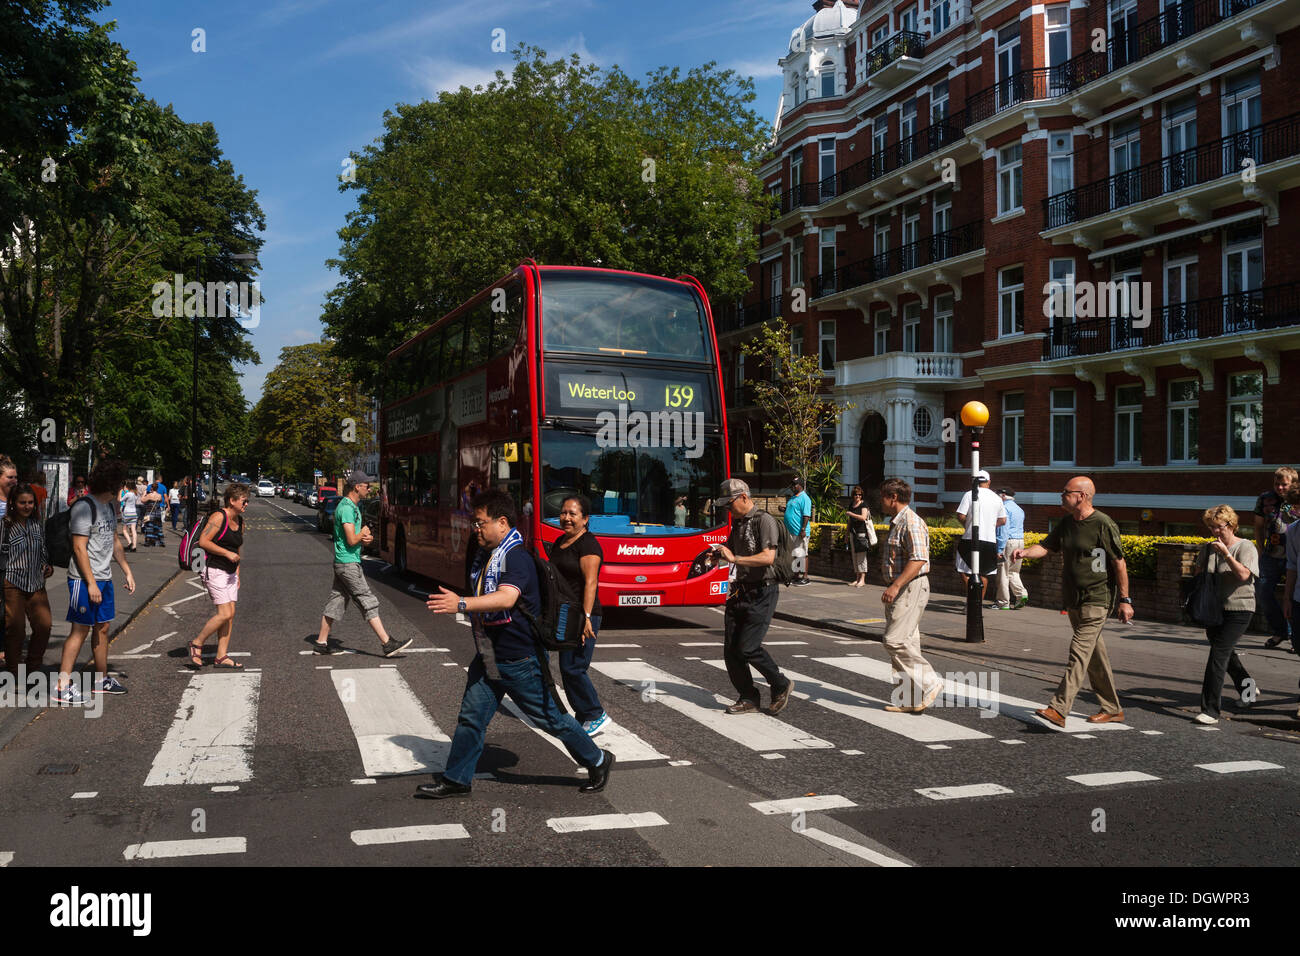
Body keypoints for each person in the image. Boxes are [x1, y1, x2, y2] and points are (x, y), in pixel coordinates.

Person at [419, 489, 614, 799]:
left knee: (552, 719)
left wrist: (461, 604)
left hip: (519, 659)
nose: (476, 529)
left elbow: (508, 597)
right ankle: (457, 778)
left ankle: (599, 759)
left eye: (481, 523)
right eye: (475, 523)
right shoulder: (489, 554)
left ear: (502, 522)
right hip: (490, 654)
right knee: (472, 716)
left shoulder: (516, 557)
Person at [1013, 476, 1133, 727]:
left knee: (1078, 653)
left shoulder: (1102, 523)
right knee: (1094, 656)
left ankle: (1058, 709)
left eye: (1065, 492)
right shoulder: (1067, 523)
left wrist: (1125, 599)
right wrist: (1025, 552)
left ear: (1082, 496)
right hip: (1074, 599)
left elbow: (1118, 563)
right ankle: (1112, 708)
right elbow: (1046, 547)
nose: (1061, 495)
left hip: (1097, 598)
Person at [707, 478, 795, 715]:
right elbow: (732, 550)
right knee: (732, 650)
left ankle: (780, 683)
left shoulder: (764, 521)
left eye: (730, 504)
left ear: (744, 497)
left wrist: (734, 559)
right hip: (740, 590)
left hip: (762, 591)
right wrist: (719, 554)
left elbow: (768, 557)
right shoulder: (738, 523)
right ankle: (748, 697)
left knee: (748, 647)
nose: (728, 509)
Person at [54, 458, 136, 703]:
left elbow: (114, 542)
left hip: (104, 578)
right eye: (120, 483)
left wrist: (127, 570)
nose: (121, 488)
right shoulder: (84, 507)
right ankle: (62, 685)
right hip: (83, 579)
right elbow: (79, 548)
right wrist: (90, 583)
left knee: (103, 627)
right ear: (111, 483)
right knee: (79, 630)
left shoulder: (109, 507)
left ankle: (101, 680)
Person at [311, 471, 411, 656]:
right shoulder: (347, 508)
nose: (369, 489)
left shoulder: (351, 506)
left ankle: (321, 643)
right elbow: (350, 539)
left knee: (336, 601)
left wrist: (364, 538)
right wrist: (361, 533)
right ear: (357, 486)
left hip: (345, 562)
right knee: (367, 600)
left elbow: (353, 538)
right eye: (366, 485)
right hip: (348, 564)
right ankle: (387, 643)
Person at [878, 478, 942, 712]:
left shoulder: (911, 522)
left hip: (910, 587)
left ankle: (931, 682)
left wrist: (895, 586)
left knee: (893, 640)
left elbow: (918, 559)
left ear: (893, 497)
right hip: (902, 589)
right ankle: (909, 699)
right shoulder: (897, 522)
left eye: (883, 496)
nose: (880, 501)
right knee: (908, 643)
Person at [1191, 505, 1259, 724]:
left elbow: (1243, 576)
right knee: (1227, 655)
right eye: (1211, 527)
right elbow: (1199, 575)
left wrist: (1227, 555)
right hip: (1214, 609)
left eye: (1218, 527)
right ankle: (1249, 690)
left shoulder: (1246, 547)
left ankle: (1210, 711)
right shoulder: (1208, 548)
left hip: (1240, 608)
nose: (1214, 532)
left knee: (1218, 655)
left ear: (1230, 525)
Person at [548, 494, 608, 735]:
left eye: (573, 514)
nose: (566, 518)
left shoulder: (589, 545)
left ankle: (595, 714)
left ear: (585, 519)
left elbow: (591, 582)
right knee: (567, 666)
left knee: (574, 667)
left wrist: (585, 617)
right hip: (566, 613)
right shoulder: (559, 542)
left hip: (584, 614)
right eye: (563, 512)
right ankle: (586, 715)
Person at [188, 482, 252, 669]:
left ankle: (221, 656)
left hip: (231, 573)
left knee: (230, 616)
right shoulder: (218, 517)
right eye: (244, 501)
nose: (246, 504)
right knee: (225, 613)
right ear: (232, 501)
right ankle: (197, 643)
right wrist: (226, 553)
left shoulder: (240, 521)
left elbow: (237, 547)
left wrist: (238, 572)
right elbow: (203, 542)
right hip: (214, 569)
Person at [3, 484, 54, 675]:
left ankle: (33, 669)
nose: (27, 506)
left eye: (30, 502)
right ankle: (14, 672)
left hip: (36, 583)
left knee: (44, 625)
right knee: (15, 629)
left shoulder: (36, 525)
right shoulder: (4, 524)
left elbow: (43, 552)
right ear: (13, 503)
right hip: (12, 583)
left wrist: (46, 566)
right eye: (22, 502)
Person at [1253, 466, 1296, 649]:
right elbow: (1258, 526)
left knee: (1296, 598)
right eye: (1277, 484)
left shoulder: (1298, 500)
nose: (1280, 488)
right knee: (1262, 593)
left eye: (1284, 485)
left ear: (1293, 484)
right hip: (1270, 555)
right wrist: (1260, 551)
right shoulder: (1265, 499)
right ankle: (1280, 631)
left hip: (1295, 557)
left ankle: (1296, 637)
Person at [955, 470, 1006, 606]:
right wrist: (989, 525)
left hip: (970, 538)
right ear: (988, 482)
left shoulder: (970, 494)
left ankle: (972, 600)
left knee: (963, 571)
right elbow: (1003, 520)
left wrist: (969, 524)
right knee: (983, 573)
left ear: (974, 481)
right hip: (989, 541)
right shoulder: (997, 498)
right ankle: (977, 605)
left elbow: (960, 515)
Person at [993, 488, 1028, 610]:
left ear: (1003, 495)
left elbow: (1003, 530)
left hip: (1008, 542)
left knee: (1003, 573)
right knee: (1013, 571)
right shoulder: (1019, 509)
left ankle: (1003, 603)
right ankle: (1021, 594)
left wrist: (999, 549)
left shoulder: (1004, 508)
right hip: (1020, 542)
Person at [781, 476, 813, 586]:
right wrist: (784, 510)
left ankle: (805, 576)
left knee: (803, 553)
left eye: (795, 485)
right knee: (796, 554)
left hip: (800, 531)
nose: (793, 487)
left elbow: (806, 515)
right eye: (792, 485)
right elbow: (793, 511)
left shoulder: (805, 498)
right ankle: (796, 575)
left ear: (800, 486)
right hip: (792, 531)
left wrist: (803, 529)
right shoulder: (793, 498)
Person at [845, 485, 873, 587]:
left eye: (859, 495)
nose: (858, 496)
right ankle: (857, 578)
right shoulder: (851, 505)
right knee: (855, 556)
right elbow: (849, 522)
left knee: (862, 556)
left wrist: (851, 514)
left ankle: (862, 579)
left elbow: (863, 517)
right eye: (856, 494)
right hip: (853, 533)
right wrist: (847, 534)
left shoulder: (863, 505)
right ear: (853, 495)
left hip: (861, 533)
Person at [119, 480, 139, 552]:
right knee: (133, 530)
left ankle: (130, 542)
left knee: (124, 529)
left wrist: (121, 491)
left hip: (127, 512)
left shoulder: (128, 494)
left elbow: (120, 500)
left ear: (128, 486)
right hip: (134, 512)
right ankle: (134, 546)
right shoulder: (135, 494)